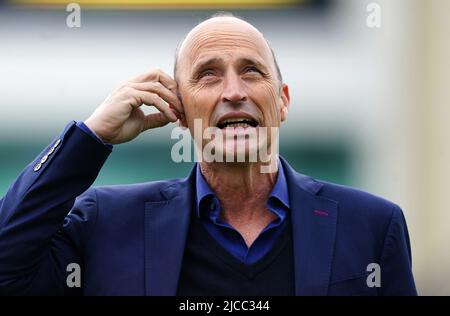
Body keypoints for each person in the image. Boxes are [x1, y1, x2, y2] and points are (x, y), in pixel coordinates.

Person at [0, 13, 417, 296]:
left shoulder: (372, 226)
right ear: (178, 111)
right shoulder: (105, 224)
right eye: (208, 75)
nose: (233, 92)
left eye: (251, 71)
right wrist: (90, 137)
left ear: (283, 100)